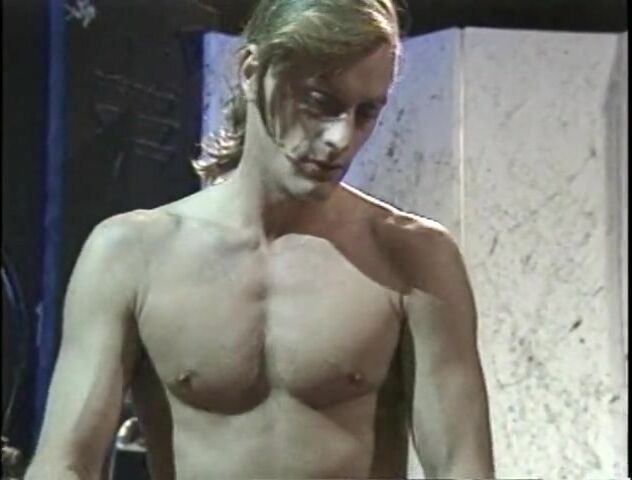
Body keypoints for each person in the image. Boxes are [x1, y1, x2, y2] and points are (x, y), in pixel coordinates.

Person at [25, 0, 495, 478]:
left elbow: (462, 467)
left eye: (366, 111)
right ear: (253, 72)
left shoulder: (413, 258)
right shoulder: (132, 255)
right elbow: (65, 464)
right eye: (321, 103)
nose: (341, 138)